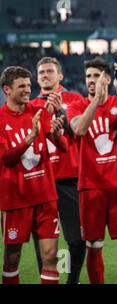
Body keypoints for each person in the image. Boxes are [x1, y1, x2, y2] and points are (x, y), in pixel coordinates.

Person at [67, 57, 117, 284]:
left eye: (97, 76)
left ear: (108, 79)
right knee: (94, 246)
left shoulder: (116, 101)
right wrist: (95, 102)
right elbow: (80, 129)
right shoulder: (76, 106)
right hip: (91, 187)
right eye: (88, 76)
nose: (92, 80)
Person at [0, 66, 67, 284]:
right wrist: (30, 138)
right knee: (12, 257)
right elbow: (5, 158)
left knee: (50, 257)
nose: (28, 90)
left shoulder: (38, 110)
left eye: (29, 85)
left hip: (45, 196)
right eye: (22, 86)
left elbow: (64, 147)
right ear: (7, 90)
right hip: (16, 199)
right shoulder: (0, 119)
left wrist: (57, 136)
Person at [30, 57, 86, 284]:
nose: (45, 75)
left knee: (77, 238)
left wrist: (59, 110)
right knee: (41, 239)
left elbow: (80, 132)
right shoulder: (31, 105)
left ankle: (73, 280)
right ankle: (47, 279)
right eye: (41, 72)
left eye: (50, 71)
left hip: (69, 178)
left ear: (60, 76)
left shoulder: (75, 100)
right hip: (41, 180)